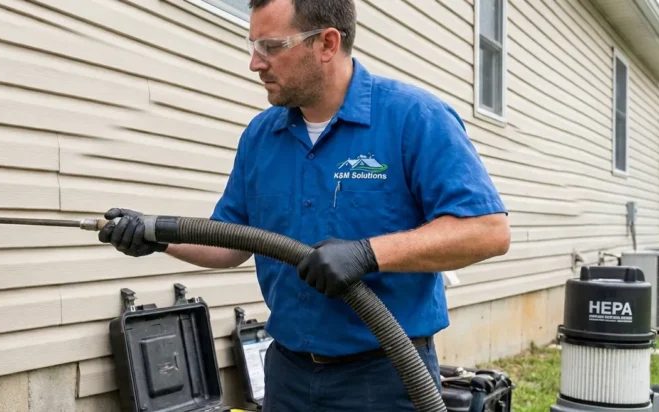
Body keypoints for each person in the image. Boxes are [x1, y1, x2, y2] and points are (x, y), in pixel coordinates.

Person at [97, 0, 511, 410]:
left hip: (386, 377)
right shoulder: (261, 136)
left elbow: (486, 231)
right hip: (288, 377)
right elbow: (229, 240)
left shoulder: (413, 118)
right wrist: (155, 235)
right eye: (253, 46)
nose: (255, 64)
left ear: (327, 43)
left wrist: (368, 254)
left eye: (271, 47)